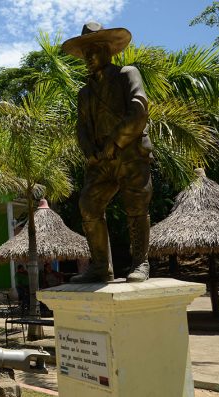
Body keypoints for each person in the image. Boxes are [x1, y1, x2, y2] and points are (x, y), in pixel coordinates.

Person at [62, 22, 152, 283]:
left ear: (107, 51)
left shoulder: (127, 74)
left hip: (130, 151)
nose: (89, 58)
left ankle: (140, 263)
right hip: (100, 159)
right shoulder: (85, 93)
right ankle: (101, 266)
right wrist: (89, 150)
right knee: (88, 205)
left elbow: (139, 109)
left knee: (136, 204)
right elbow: (81, 127)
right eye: (85, 53)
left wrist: (115, 142)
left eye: (94, 51)